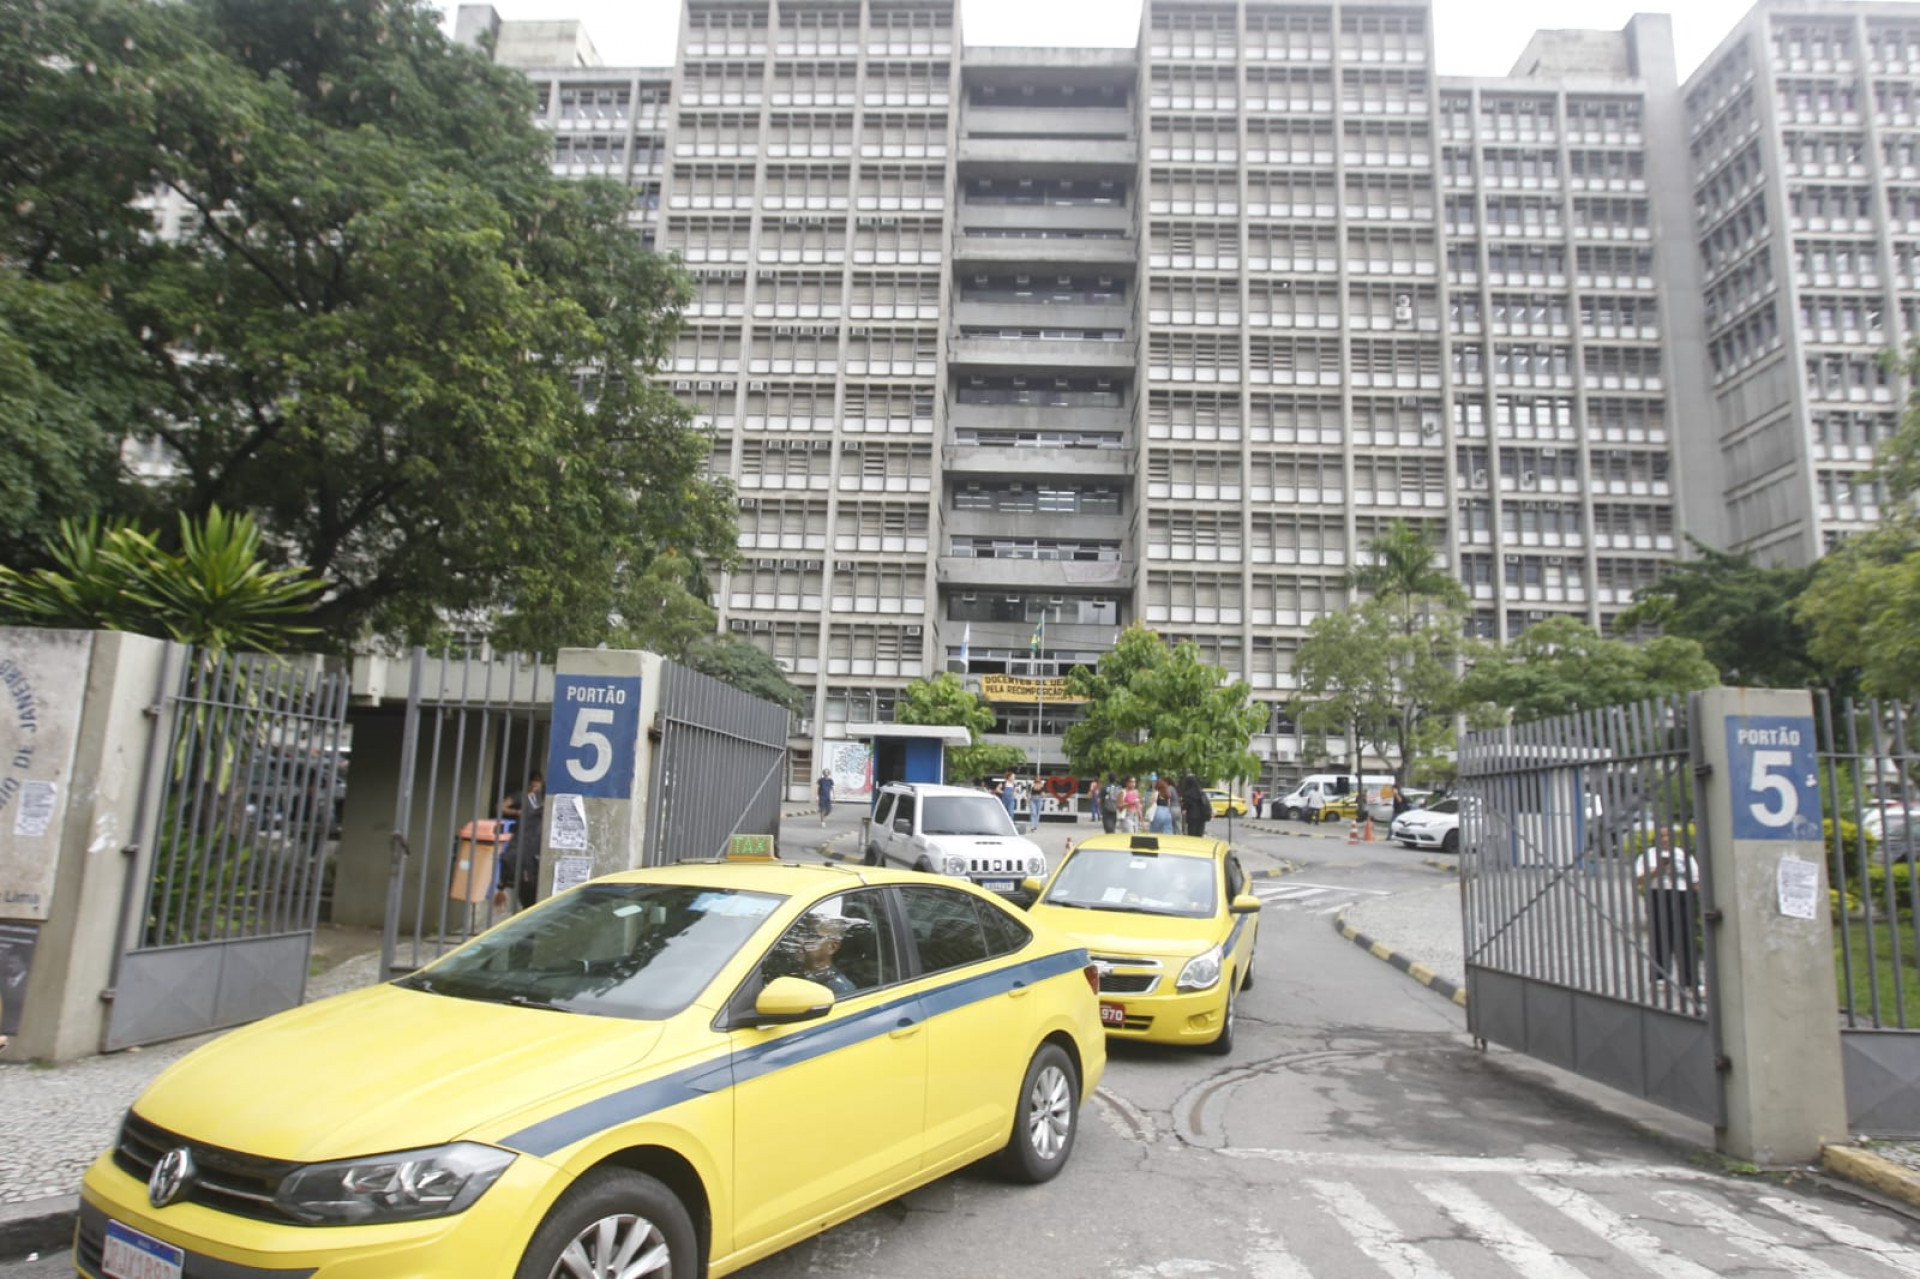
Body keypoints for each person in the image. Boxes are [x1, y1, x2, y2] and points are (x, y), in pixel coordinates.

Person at [1634, 826, 1703, 992]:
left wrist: (1700, 898)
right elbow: (1640, 879)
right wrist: (1658, 870)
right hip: (1659, 894)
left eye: (1668, 836)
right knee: (1660, 937)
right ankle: (1659, 978)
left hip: (1681, 895)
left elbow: (1695, 879)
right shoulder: (1648, 855)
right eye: (1661, 836)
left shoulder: (1682, 854)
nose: (1665, 839)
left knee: (1686, 938)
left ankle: (1691, 980)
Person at [495, 771, 545, 911]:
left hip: (536, 841)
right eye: (533, 782)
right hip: (523, 836)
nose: (535, 785)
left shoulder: (541, 798)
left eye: (538, 782)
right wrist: (517, 813)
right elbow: (501, 806)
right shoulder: (520, 796)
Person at [794, 916, 857, 997]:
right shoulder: (796, 973)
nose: (799, 940)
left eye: (811, 937)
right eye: (800, 934)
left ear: (832, 947)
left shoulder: (840, 989)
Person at [1180, 773, 1211, 838]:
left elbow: (1185, 806)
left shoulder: (1188, 793)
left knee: (1192, 836)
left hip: (1192, 817)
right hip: (1202, 816)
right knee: (1199, 835)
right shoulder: (1201, 792)